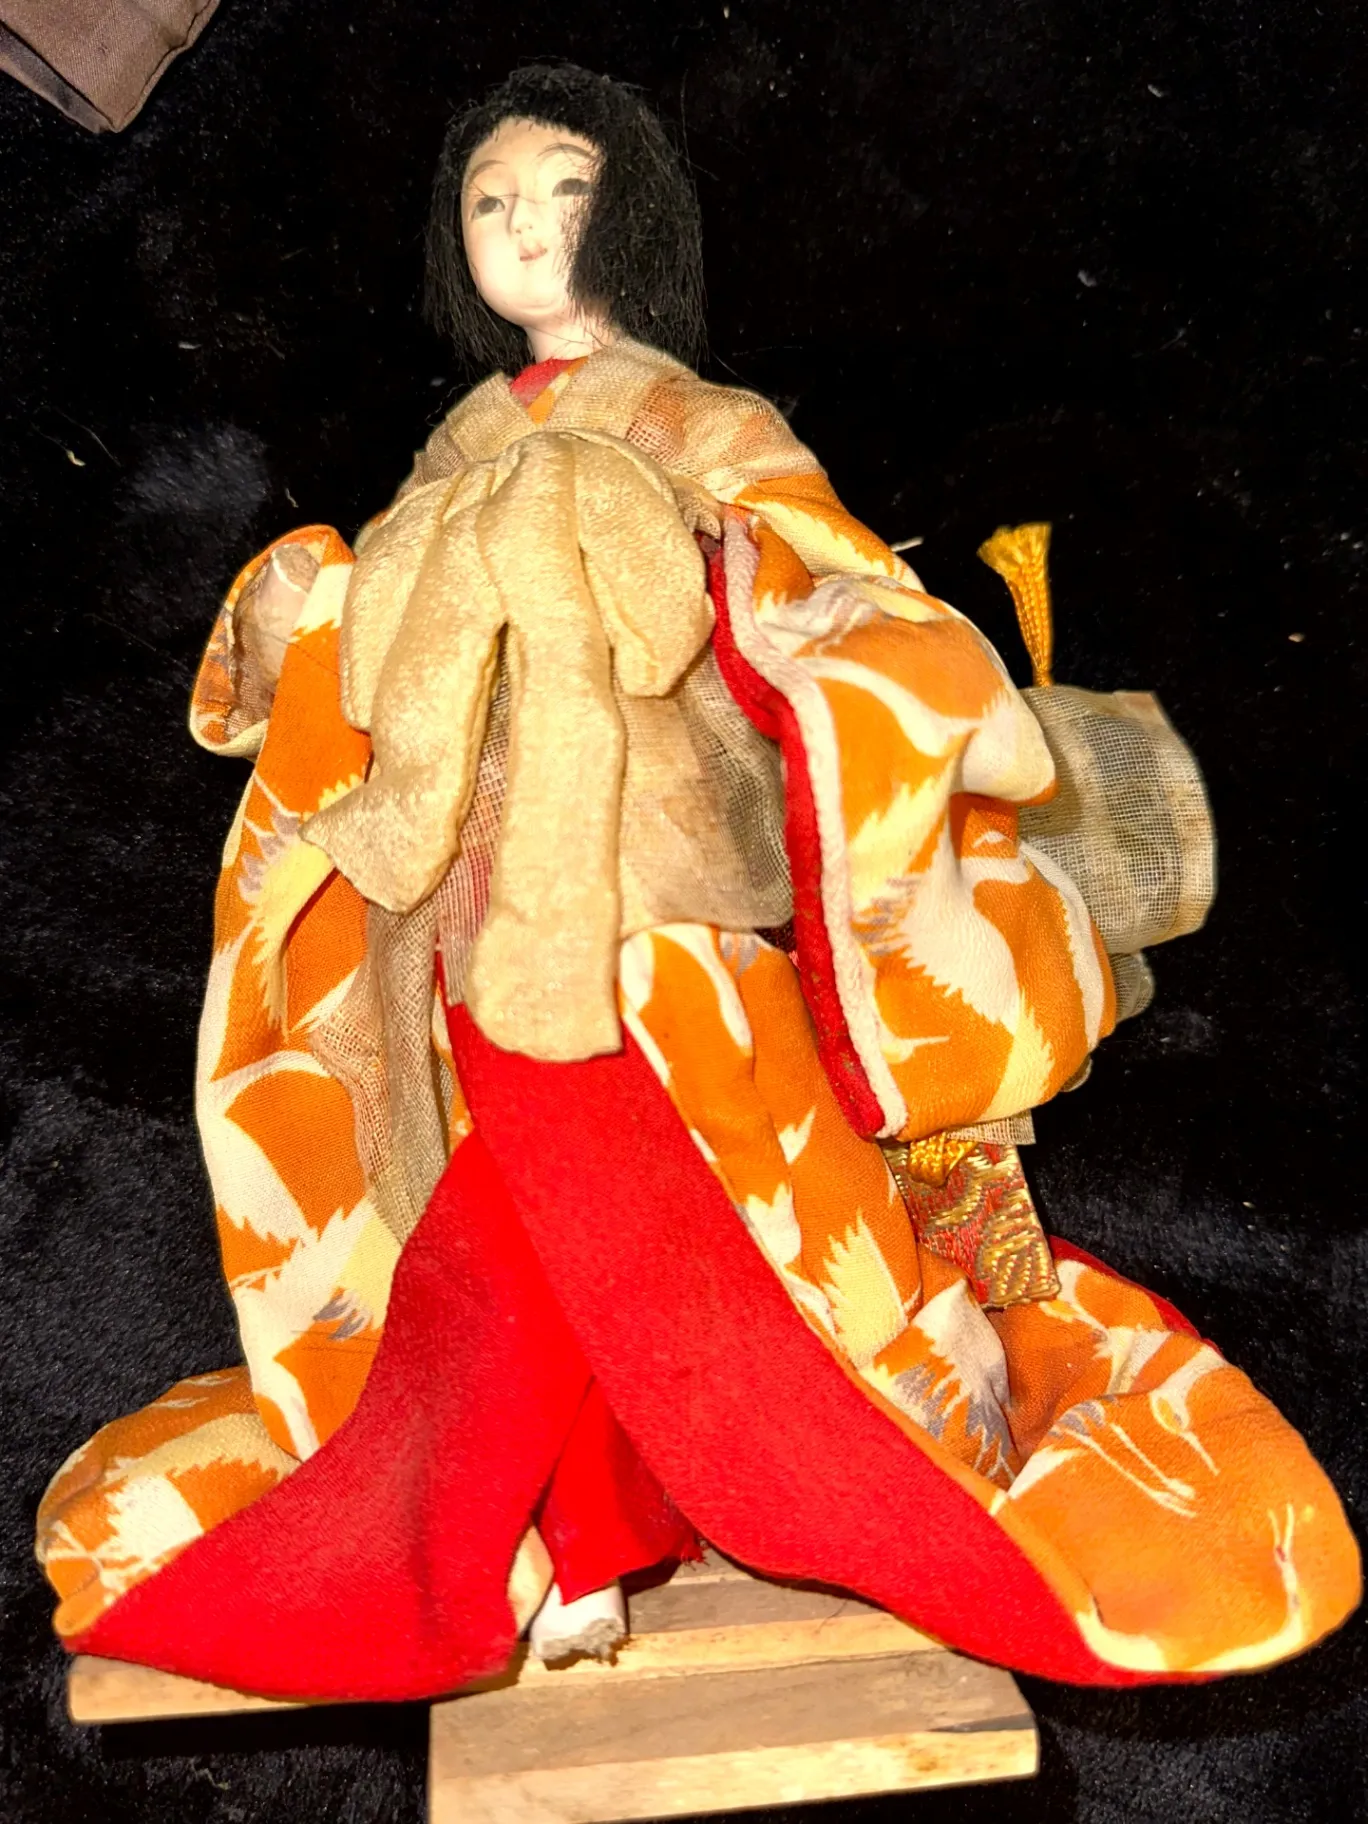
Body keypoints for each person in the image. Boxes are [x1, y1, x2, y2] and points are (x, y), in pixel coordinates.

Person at [37, 63, 1358, 1702]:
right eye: (491, 205)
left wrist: (704, 566)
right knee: (516, 1234)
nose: (527, 231)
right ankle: (562, 1542)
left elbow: (842, 586)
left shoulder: (703, 420)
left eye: (563, 196)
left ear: (634, 224)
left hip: (664, 913)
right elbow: (373, 650)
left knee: (665, 1229)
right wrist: (327, 609)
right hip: (469, 912)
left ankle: (729, 1507)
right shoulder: (458, 443)